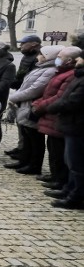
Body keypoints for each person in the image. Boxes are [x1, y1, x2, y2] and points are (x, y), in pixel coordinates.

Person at [6, 45, 61, 175]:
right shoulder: (41, 68)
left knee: (35, 138)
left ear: (47, 56)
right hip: (25, 105)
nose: (37, 57)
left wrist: (14, 97)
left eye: (40, 54)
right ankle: (24, 161)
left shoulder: (50, 71)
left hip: (32, 106)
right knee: (26, 136)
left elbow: (35, 89)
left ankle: (34, 165)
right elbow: (25, 85)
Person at [31, 47, 81, 190]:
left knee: (61, 153)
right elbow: (47, 92)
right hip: (52, 115)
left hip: (58, 116)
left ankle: (61, 180)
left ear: (70, 59)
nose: (57, 58)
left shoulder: (70, 75)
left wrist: (42, 106)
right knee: (54, 149)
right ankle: (57, 177)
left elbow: (61, 97)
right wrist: (38, 103)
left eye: (60, 56)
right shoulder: (61, 72)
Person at [41, 51, 84, 209]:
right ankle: (69, 189)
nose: (78, 60)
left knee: (77, 164)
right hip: (70, 124)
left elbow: (72, 101)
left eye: (81, 57)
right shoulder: (78, 76)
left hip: (77, 125)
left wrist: (51, 107)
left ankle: (76, 197)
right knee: (71, 162)